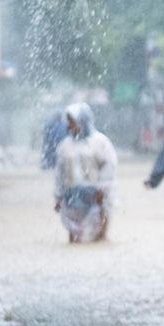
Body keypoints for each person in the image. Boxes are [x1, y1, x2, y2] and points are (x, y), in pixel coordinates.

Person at [54, 101, 118, 243]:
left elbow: (109, 166)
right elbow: (59, 173)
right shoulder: (65, 146)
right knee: (75, 237)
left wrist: (102, 188)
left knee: (98, 237)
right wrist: (58, 196)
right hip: (72, 194)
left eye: (72, 122)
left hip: (95, 193)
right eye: (68, 122)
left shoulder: (100, 142)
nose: (69, 126)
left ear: (82, 121)